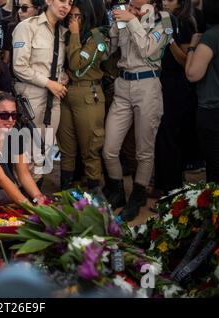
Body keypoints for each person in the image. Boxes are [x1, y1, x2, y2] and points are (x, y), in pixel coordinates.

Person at [102, 0, 173, 221]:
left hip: (147, 86)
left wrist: (132, 21)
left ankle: (138, 194)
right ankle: (117, 192)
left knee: (144, 150)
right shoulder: (125, 14)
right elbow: (107, 51)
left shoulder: (164, 21)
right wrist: (113, 28)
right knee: (109, 148)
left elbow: (147, 50)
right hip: (122, 86)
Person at [12, 0, 72, 183]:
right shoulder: (27, 27)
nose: (66, 6)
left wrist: (63, 77)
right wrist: (49, 83)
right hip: (30, 99)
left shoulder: (63, 33)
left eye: (70, 3)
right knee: (26, 152)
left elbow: (58, 65)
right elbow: (19, 67)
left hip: (54, 100)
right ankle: (19, 199)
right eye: (62, 0)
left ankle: (35, 197)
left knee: (44, 151)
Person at [57, 0, 107, 191]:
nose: (73, 21)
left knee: (90, 148)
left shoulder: (98, 37)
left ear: (87, 16)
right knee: (67, 149)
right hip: (66, 94)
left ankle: (94, 192)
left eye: (78, 16)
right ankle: (66, 191)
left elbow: (77, 63)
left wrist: (76, 34)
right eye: (71, 16)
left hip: (89, 94)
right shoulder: (64, 35)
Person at [153, 0, 197, 195]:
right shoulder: (162, 20)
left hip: (177, 85)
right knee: (161, 134)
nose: (164, 2)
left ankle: (173, 189)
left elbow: (185, 60)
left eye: (169, 0)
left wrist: (169, 37)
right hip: (162, 81)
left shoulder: (185, 22)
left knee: (170, 135)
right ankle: (161, 185)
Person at [185, 0, 219, 184]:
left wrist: (192, 46)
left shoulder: (211, 36)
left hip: (212, 109)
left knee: (216, 170)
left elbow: (193, 74)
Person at [1, 0, 43, 65]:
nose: (19, 11)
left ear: (37, 9)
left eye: (24, 8)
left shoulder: (45, 30)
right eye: (18, 7)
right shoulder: (12, 28)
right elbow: (6, 60)